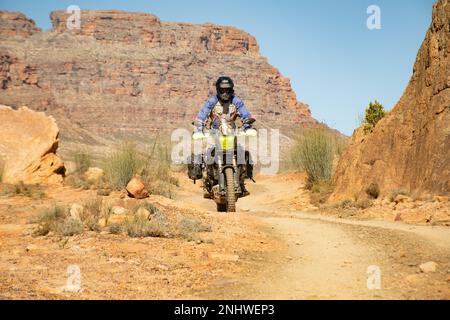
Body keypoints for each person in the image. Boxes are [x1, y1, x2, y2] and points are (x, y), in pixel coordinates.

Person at [192, 76, 255, 197]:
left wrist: (248, 125)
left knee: (242, 152)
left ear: (231, 90)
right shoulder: (212, 101)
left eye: (227, 90)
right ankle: (206, 183)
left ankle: (241, 183)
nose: (225, 93)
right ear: (218, 90)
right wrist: (199, 128)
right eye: (222, 90)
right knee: (208, 154)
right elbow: (202, 115)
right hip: (214, 132)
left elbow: (245, 113)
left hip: (232, 132)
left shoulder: (236, 101)